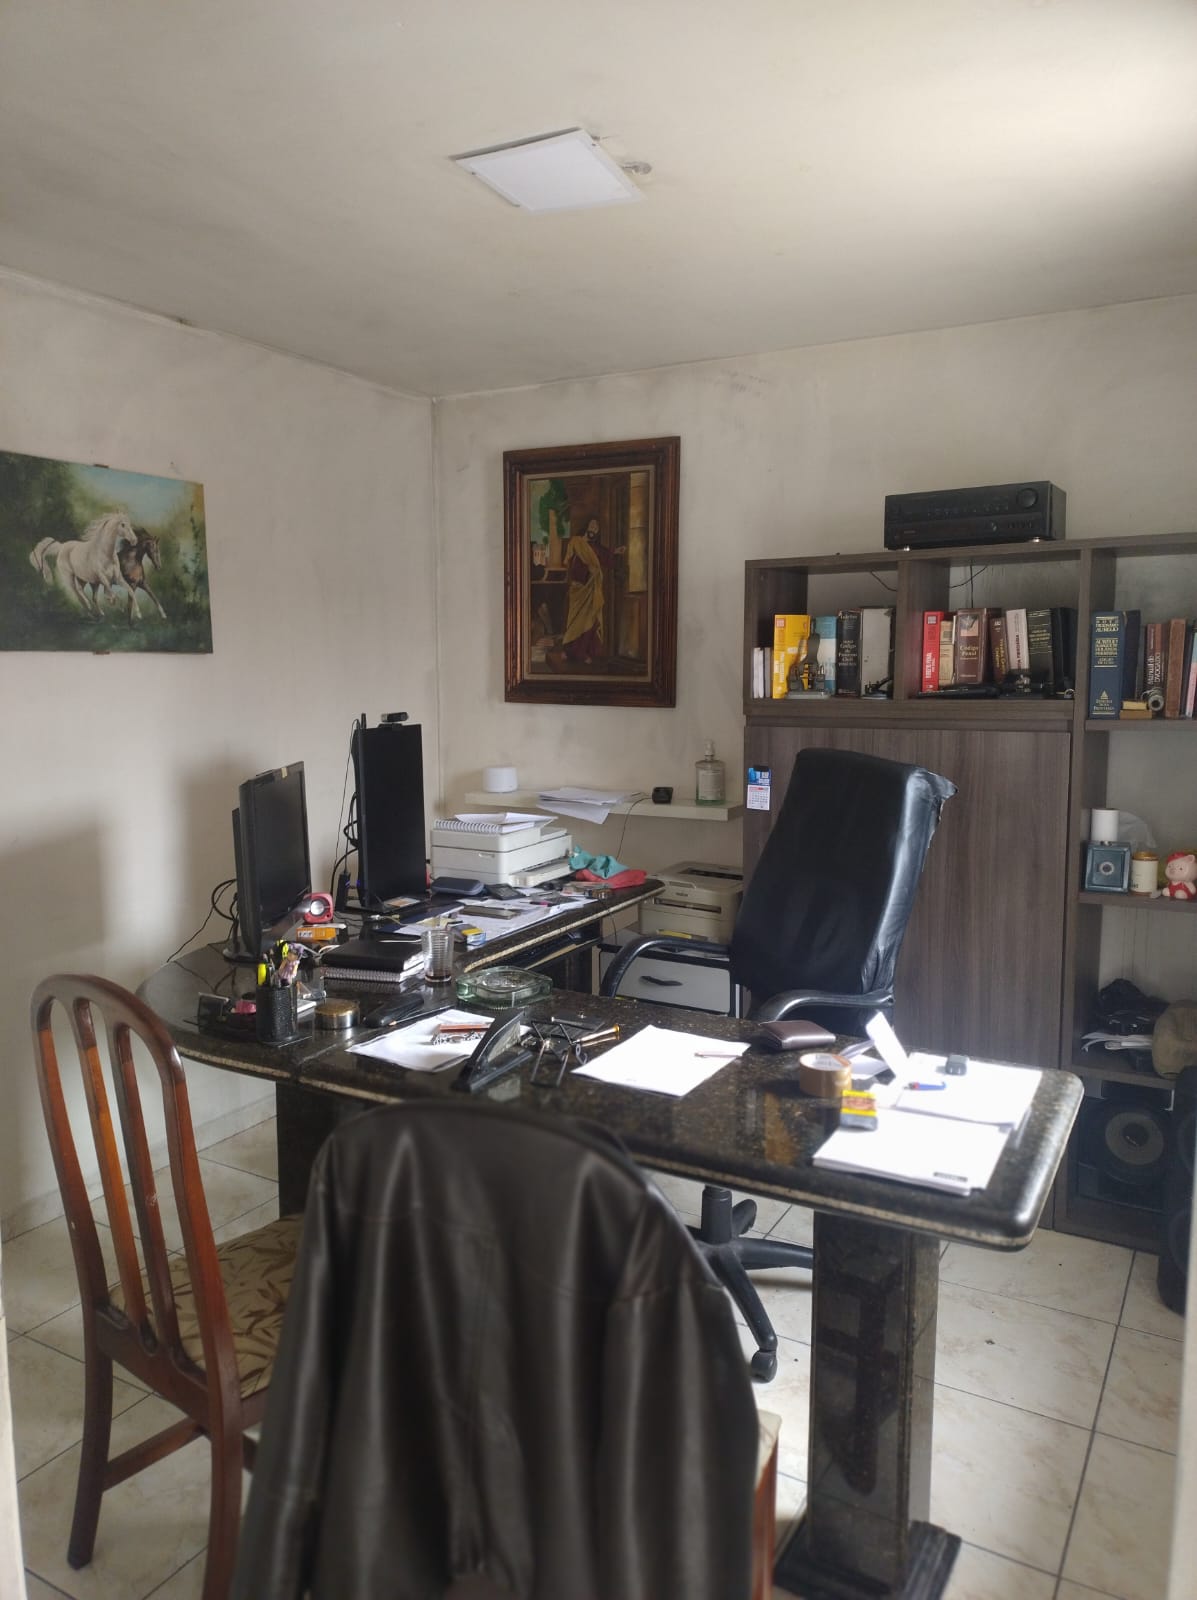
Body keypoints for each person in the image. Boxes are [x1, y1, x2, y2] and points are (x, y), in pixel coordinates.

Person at [562, 517, 623, 665]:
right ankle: (569, 650)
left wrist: (616, 551)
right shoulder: (576, 541)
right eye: (592, 525)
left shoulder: (596, 548)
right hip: (578, 589)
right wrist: (581, 570)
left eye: (596, 528)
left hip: (591, 589)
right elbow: (567, 560)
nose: (594, 529)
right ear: (587, 526)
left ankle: (581, 653)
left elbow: (605, 555)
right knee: (574, 622)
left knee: (589, 621)